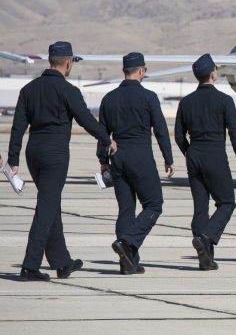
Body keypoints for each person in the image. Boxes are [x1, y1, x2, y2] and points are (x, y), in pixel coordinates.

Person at [6, 41, 115, 282]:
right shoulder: (69, 91)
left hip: (33, 152)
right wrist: (106, 140)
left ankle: (62, 262)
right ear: (68, 63)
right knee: (46, 207)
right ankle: (30, 265)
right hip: (55, 153)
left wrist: (13, 159)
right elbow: (86, 119)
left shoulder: (29, 89)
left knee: (50, 202)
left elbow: (18, 128)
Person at [98, 52, 174, 274]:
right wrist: (168, 159)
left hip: (118, 157)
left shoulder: (109, 98)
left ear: (124, 71)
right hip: (140, 156)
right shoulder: (149, 97)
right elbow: (160, 130)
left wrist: (103, 160)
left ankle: (127, 263)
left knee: (126, 210)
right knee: (154, 204)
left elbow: (102, 133)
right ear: (141, 71)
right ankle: (128, 242)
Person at [175, 53, 236, 270]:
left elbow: (179, 136)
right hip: (214, 154)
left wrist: (190, 153)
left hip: (194, 155)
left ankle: (205, 258)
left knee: (200, 208)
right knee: (227, 203)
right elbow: (235, 133)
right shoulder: (224, 101)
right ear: (213, 74)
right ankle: (206, 238)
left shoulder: (186, 102)